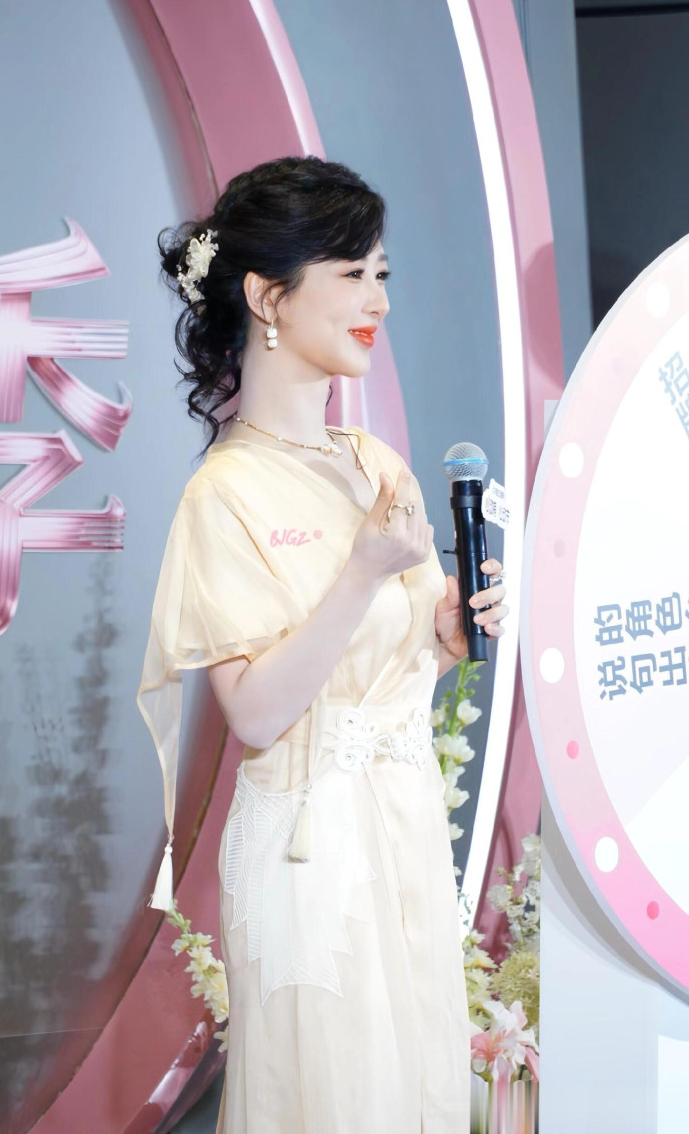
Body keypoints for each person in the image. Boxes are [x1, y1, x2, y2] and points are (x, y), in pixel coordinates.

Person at [137, 156, 508, 1134]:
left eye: (381, 273)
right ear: (268, 296)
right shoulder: (225, 493)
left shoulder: (377, 464)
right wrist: (359, 575)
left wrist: (444, 638)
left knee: (413, 1087)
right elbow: (258, 713)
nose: (376, 300)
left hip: (404, 830)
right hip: (307, 855)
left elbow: (381, 680)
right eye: (350, 273)